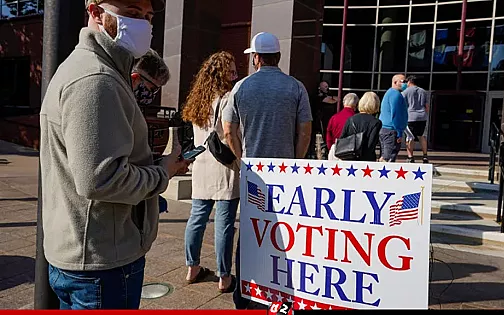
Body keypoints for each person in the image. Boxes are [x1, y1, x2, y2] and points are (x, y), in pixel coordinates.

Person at [39, 0, 190, 309]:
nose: (145, 25)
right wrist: (164, 172)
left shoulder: (96, 71)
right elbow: (102, 179)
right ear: (95, 12)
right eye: (132, 14)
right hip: (101, 263)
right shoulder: (97, 80)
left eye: (148, 17)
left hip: (88, 256)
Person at [222, 31, 313, 309]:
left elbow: (228, 130)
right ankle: (282, 290)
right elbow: (305, 132)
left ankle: (245, 292)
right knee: (283, 231)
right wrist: (293, 163)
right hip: (285, 172)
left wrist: (241, 161)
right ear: (279, 57)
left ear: (256, 58)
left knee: (250, 230)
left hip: (254, 173)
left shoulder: (241, 88)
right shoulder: (296, 87)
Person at [181, 51, 240, 293]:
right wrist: (240, 157)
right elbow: (230, 132)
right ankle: (224, 276)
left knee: (197, 219)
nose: (236, 72)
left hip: (202, 166)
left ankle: (191, 267)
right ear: (224, 72)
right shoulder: (228, 98)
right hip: (224, 166)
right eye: (233, 68)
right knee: (223, 223)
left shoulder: (199, 99)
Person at [338, 92, 382, 162]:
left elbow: (342, 138)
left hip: (350, 158)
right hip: (367, 161)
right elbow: (371, 144)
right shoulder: (376, 122)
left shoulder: (350, 119)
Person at [378, 74, 408, 162]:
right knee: (388, 157)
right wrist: (399, 132)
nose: (405, 84)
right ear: (395, 82)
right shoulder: (396, 95)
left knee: (384, 155)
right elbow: (396, 114)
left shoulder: (390, 93)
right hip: (391, 130)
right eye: (403, 82)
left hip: (385, 129)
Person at [402, 75, 430, 163]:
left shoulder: (405, 92)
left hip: (410, 117)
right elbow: (427, 107)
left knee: (410, 137)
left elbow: (402, 106)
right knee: (422, 136)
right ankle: (425, 156)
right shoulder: (423, 91)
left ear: (409, 82)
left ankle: (410, 157)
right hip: (422, 116)